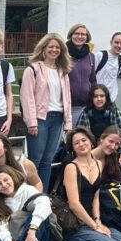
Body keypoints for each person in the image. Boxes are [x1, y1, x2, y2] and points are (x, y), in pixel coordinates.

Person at [57, 127, 121, 241]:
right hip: (75, 224)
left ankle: (92, 237)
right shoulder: (71, 167)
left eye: (84, 140)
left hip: (92, 220)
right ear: (73, 148)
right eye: (76, 143)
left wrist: (98, 221)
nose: (81, 144)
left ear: (91, 142)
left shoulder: (98, 164)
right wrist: (95, 227)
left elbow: (96, 197)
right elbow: (74, 204)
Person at [20, 32, 72, 186]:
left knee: (47, 161)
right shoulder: (33, 69)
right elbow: (27, 97)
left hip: (57, 119)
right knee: (35, 160)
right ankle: (29, 194)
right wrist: (32, 122)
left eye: (57, 47)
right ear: (43, 49)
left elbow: (68, 98)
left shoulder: (63, 71)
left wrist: (68, 124)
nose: (54, 50)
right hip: (40, 120)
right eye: (51, 47)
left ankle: (43, 195)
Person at [0, 130, 42, 222]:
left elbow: (37, 182)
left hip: (27, 214)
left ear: (5, 147)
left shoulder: (24, 163)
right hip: (1, 220)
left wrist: (36, 201)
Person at [76, 85, 121, 158]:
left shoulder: (114, 112)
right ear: (91, 98)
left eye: (102, 96)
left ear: (106, 98)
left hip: (111, 150)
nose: (99, 99)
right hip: (91, 151)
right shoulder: (86, 113)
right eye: (95, 96)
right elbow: (78, 135)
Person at [65, 23, 96, 124]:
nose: (80, 36)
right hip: (65, 104)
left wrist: (93, 98)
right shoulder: (63, 54)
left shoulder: (91, 57)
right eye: (76, 33)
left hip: (84, 105)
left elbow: (92, 80)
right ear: (71, 35)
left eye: (83, 34)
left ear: (87, 37)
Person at [94, 31, 121, 101]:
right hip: (97, 98)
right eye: (116, 42)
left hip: (111, 100)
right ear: (111, 42)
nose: (119, 45)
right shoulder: (100, 55)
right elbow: (89, 75)